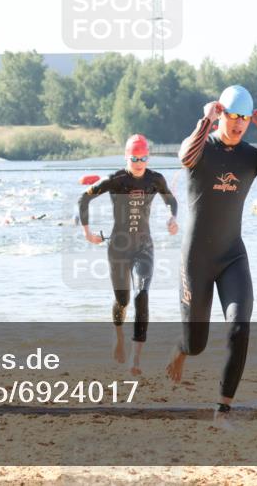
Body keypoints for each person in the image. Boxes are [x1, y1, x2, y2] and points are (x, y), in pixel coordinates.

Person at [166, 85, 257, 427]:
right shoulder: (202, 148)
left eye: (244, 118)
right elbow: (184, 158)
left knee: (240, 326)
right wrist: (204, 122)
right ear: (221, 113)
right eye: (232, 116)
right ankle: (181, 349)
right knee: (197, 344)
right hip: (195, 259)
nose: (238, 124)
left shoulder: (252, 156)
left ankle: (223, 407)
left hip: (231, 257)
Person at [78, 134, 178, 375]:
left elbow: (171, 201)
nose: (138, 162)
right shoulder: (116, 180)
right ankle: (118, 335)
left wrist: (172, 218)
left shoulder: (156, 179)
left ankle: (136, 360)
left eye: (143, 157)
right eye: (134, 157)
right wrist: (87, 232)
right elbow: (84, 199)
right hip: (118, 249)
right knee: (123, 300)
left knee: (142, 294)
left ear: (148, 157)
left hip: (144, 247)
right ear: (126, 156)